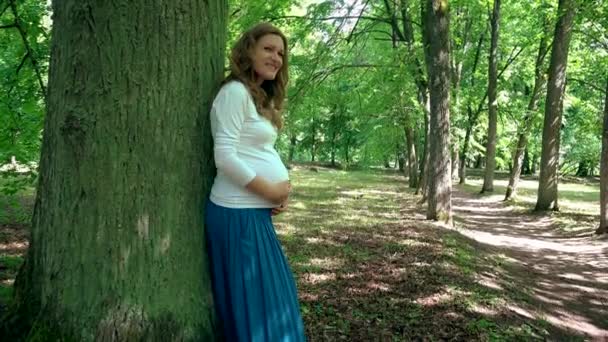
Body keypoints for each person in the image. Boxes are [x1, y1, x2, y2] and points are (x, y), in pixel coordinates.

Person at [204, 22, 306, 341]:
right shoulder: (233, 93)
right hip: (237, 217)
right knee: (261, 310)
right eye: (268, 49)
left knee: (274, 306)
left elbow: (258, 151)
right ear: (248, 50)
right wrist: (271, 190)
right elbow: (225, 157)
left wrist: (278, 195)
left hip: (254, 215)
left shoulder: (258, 98)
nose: (276, 57)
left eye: (280, 53)